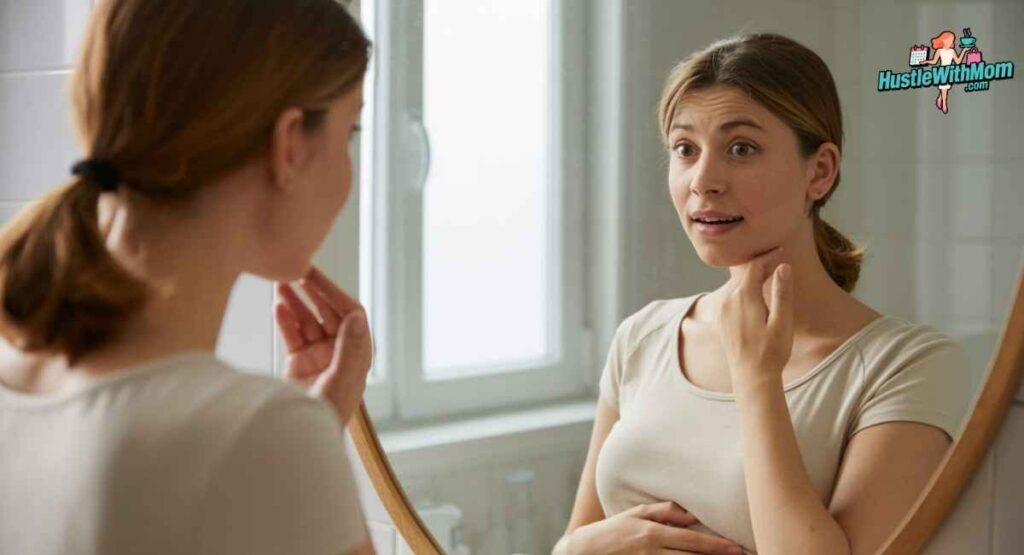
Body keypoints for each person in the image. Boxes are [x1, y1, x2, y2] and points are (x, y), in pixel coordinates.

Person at [553, 33, 972, 555]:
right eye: (685, 149)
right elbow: (574, 541)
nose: (703, 180)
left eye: (741, 148)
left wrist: (757, 377)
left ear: (819, 171)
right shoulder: (643, 336)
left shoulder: (910, 367)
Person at [0, 1, 376, 554]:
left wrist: (311, 431)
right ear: (290, 143)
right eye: (351, 130)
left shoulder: (15, 380)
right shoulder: (260, 436)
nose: (349, 167)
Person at [922, 30, 966, 114]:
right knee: (944, 88)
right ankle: (944, 103)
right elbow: (934, 61)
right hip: (942, 72)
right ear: (944, 40)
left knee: (944, 88)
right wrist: (926, 61)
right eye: (950, 40)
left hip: (949, 71)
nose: (952, 42)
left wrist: (963, 50)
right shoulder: (939, 51)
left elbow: (958, 61)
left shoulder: (952, 51)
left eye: (952, 40)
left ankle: (939, 98)